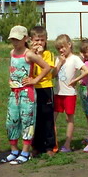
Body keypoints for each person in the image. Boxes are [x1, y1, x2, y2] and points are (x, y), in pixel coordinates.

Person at [4, 25, 52, 165]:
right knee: (11, 121)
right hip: (14, 93)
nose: (15, 42)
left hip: (27, 93)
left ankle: (25, 152)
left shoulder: (29, 54)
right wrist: (10, 78)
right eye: (12, 39)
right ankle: (14, 150)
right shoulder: (12, 52)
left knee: (27, 122)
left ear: (25, 38)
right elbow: (12, 67)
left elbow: (47, 67)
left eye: (17, 39)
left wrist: (35, 80)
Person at [53, 34, 88, 152]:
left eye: (63, 47)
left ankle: (67, 144)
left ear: (69, 45)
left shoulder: (75, 59)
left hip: (69, 93)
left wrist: (76, 80)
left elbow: (86, 71)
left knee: (69, 119)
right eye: (59, 49)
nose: (61, 50)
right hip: (58, 92)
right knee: (53, 118)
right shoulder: (58, 59)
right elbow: (53, 75)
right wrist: (59, 63)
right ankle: (54, 143)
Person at [29, 26, 58, 157]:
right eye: (36, 40)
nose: (39, 43)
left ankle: (49, 146)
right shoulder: (29, 54)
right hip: (32, 88)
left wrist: (39, 55)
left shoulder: (48, 54)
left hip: (45, 87)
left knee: (47, 118)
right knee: (35, 118)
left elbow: (46, 70)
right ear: (31, 40)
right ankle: (36, 145)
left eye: (42, 40)